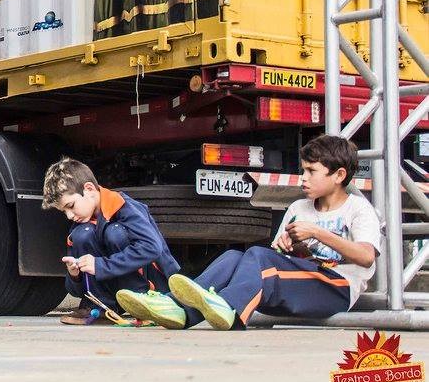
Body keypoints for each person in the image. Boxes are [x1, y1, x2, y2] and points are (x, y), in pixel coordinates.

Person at [117, 135, 380, 330]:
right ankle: (177, 309)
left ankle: (229, 307)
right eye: (303, 170)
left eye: (311, 171)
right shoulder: (299, 207)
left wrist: (316, 233)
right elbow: (285, 258)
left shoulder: (358, 208)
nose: (303, 178)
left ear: (339, 175)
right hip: (300, 279)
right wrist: (293, 247)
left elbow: (366, 257)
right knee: (234, 257)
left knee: (258, 255)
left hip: (336, 288)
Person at [41, 157, 180, 325]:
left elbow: (152, 248)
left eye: (70, 206)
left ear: (89, 189)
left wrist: (100, 266)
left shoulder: (124, 207)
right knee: (82, 235)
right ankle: (100, 309)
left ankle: (146, 303)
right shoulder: (81, 226)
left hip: (156, 287)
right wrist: (75, 274)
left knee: (114, 232)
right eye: (64, 211)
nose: (69, 215)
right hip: (118, 290)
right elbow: (75, 290)